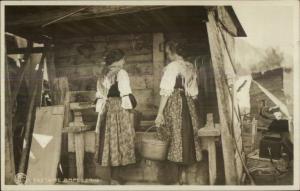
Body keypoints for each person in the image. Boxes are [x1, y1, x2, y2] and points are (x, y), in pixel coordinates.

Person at [155, 40, 204, 184]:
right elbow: (194, 93)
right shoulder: (190, 67)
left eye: (168, 52)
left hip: (175, 105)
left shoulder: (173, 67)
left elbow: (166, 92)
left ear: (173, 52)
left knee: (174, 138)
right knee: (186, 139)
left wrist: (159, 113)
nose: (167, 55)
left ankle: (176, 181)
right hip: (189, 105)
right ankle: (184, 178)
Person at [94, 49, 137, 184]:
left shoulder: (102, 74)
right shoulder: (121, 73)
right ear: (117, 60)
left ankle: (111, 177)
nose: (124, 62)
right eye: (123, 59)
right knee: (120, 140)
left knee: (108, 141)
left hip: (105, 110)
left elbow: (100, 96)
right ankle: (116, 177)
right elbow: (126, 95)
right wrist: (130, 112)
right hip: (118, 109)